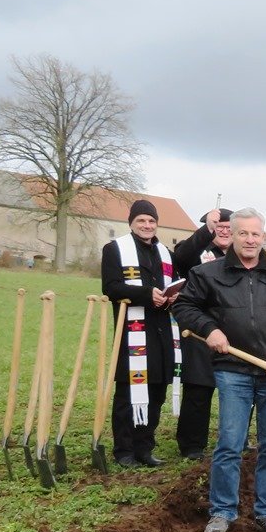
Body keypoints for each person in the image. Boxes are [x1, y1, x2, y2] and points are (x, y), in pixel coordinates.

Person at [172, 208, 266, 532]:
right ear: (231, 235)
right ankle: (222, 512)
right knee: (230, 444)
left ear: (263, 237)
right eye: (243, 233)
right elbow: (183, 305)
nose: (249, 239)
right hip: (233, 371)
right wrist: (210, 329)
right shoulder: (207, 274)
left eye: (255, 234)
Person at [100, 199, 180, 469]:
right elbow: (111, 287)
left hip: (161, 331)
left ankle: (145, 448)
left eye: (151, 221)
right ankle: (124, 450)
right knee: (128, 391)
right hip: (132, 331)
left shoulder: (166, 253)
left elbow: (172, 284)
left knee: (156, 390)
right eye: (141, 221)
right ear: (131, 223)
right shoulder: (115, 249)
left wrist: (173, 296)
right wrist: (147, 294)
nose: (147, 225)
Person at [169, 206, 234, 460]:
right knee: (199, 386)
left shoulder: (240, 255)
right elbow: (181, 258)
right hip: (200, 328)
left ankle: (235, 439)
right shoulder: (196, 250)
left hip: (234, 328)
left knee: (238, 388)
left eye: (229, 228)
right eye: (219, 227)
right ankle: (192, 445)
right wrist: (206, 229)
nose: (224, 232)